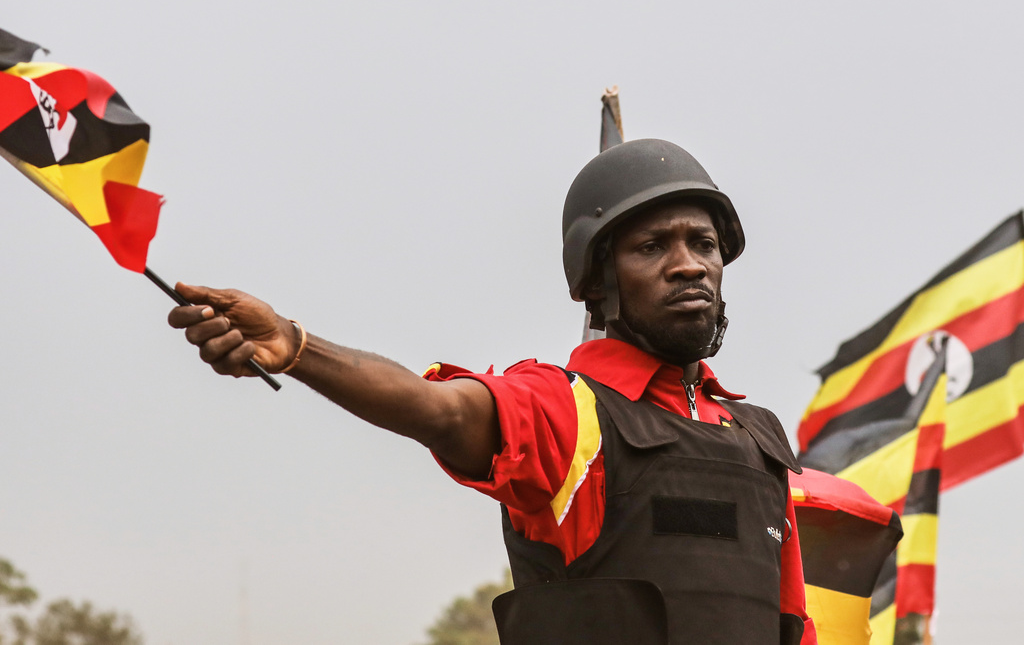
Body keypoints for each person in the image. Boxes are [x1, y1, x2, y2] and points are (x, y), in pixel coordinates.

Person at [168, 139, 815, 645]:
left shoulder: (760, 441)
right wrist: (298, 345)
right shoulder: (569, 409)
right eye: (652, 246)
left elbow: (794, 625)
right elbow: (441, 411)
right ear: (597, 281)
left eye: (703, 243)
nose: (689, 263)